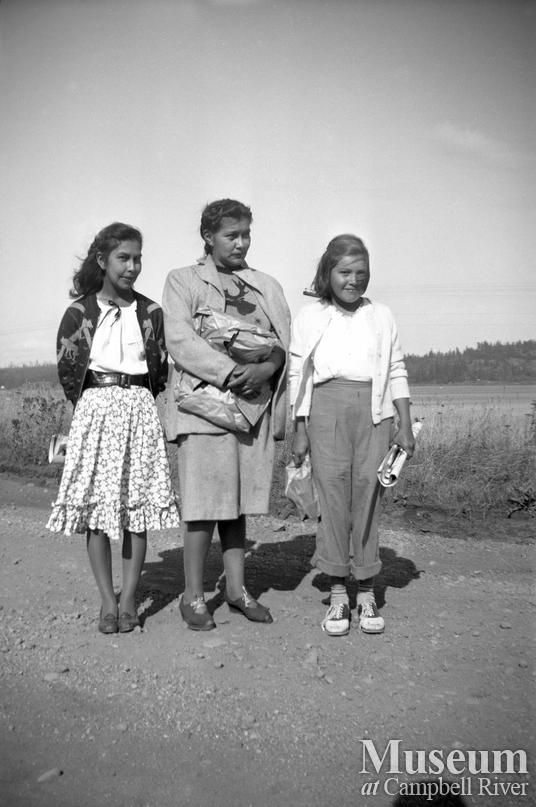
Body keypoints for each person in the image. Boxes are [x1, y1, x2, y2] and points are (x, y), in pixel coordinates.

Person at [163, 199, 291, 630]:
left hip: (251, 410)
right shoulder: (182, 281)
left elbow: (282, 343)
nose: (240, 243)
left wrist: (268, 367)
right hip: (202, 409)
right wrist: (234, 371)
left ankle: (236, 591)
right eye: (230, 235)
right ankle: (193, 596)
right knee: (201, 504)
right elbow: (179, 340)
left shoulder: (266, 285)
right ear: (208, 237)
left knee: (236, 505)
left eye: (246, 234)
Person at [47, 223, 180, 634]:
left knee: (134, 512)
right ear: (103, 261)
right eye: (124, 258)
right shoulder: (80, 312)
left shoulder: (152, 312)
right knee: (97, 513)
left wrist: (133, 399)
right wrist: (94, 407)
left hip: (139, 410)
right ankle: (107, 601)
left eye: (138, 258)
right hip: (95, 412)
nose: (132, 266)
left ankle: (128, 601)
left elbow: (158, 371)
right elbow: (69, 371)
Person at [289, 234, 414, 637]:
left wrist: (405, 423)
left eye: (361, 273)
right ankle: (339, 595)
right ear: (328, 273)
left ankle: (367, 592)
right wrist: (300, 428)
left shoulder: (382, 315)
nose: (353, 280)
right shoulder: (309, 316)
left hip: (373, 414)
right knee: (334, 499)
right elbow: (299, 376)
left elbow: (396, 369)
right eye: (344, 272)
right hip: (326, 409)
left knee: (369, 498)